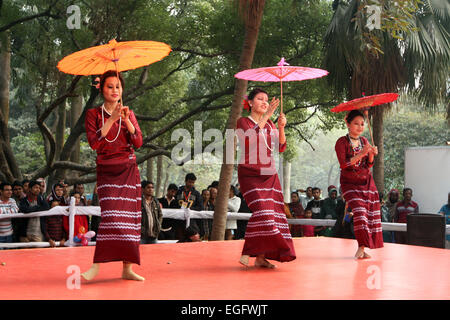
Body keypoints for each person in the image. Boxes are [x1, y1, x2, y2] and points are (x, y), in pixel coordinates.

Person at [83, 70, 144, 281]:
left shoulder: (129, 113)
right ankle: (97, 265)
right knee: (110, 217)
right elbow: (95, 143)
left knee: (130, 220)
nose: (114, 90)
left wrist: (126, 120)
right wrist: (112, 119)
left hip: (128, 170)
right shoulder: (93, 114)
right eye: (110, 86)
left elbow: (138, 142)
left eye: (118, 86)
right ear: (102, 90)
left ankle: (127, 268)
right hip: (107, 170)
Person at [237, 88, 296, 269]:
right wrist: (269, 113)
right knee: (262, 211)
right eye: (260, 99)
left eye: (266, 100)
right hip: (250, 173)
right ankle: (248, 251)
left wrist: (281, 127)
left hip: (269, 173)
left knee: (273, 216)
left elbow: (281, 146)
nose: (264, 102)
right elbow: (250, 139)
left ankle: (261, 257)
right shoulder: (243, 122)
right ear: (251, 103)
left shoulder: (270, 124)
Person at [335, 109, 383, 259]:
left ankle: (362, 248)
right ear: (347, 123)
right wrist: (362, 153)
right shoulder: (341, 142)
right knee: (360, 213)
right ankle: (361, 247)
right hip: (350, 183)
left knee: (369, 215)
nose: (360, 127)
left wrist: (371, 154)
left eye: (362, 124)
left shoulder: (365, 142)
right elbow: (344, 164)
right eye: (356, 123)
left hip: (366, 182)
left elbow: (369, 165)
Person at [175, 173, 203, 239]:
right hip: (179, 220)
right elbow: (174, 204)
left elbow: (200, 207)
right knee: (180, 239)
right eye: (189, 182)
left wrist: (189, 209)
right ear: (185, 181)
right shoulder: (178, 191)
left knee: (194, 238)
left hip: (192, 220)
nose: (191, 184)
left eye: (193, 182)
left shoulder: (196, 193)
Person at [41, 183, 67, 247]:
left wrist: (64, 238)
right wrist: (49, 239)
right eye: (57, 190)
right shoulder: (49, 199)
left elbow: (65, 226)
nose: (60, 192)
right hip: (51, 236)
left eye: (61, 190)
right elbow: (45, 227)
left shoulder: (63, 200)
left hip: (61, 236)